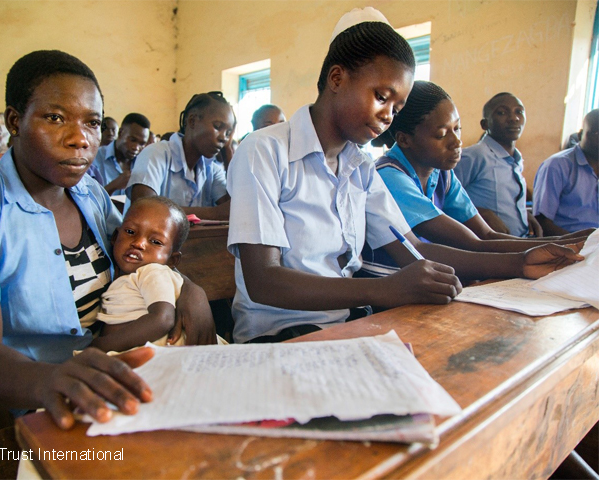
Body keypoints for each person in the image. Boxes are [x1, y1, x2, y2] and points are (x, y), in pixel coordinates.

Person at [226, 8, 583, 344]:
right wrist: (384, 289)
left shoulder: (360, 166)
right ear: (337, 78)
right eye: (381, 97)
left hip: (348, 323)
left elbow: (412, 247)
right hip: (280, 334)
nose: (387, 116)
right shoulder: (265, 150)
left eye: (396, 109)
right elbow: (264, 281)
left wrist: (520, 262)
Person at [0, 50, 216, 429]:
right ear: (15, 121)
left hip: (129, 363)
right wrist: (52, 378)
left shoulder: (90, 194)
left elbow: (142, 250)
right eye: (55, 117)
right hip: (43, 390)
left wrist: (189, 289)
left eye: (92, 122)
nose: (80, 139)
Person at [360, 81, 591, 278]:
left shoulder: (442, 174)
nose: (456, 142)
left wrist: (567, 241)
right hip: (391, 289)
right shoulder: (389, 176)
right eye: (441, 134)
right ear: (404, 139)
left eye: (457, 129)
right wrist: (525, 261)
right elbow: (472, 244)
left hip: (429, 280)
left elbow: (486, 234)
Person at [91, 196, 228, 353]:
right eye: (130, 232)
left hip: (168, 355)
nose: (139, 243)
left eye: (155, 242)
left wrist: (99, 346)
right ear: (115, 237)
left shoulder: (152, 272)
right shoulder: (128, 277)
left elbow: (162, 319)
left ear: (172, 260)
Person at [126, 92, 234, 220]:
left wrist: (228, 151)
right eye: (217, 127)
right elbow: (144, 210)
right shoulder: (156, 154)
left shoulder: (212, 169)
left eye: (228, 133)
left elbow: (230, 209)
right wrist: (214, 213)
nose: (223, 138)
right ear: (192, 121)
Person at [453, 93, 543, 237]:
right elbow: (441, 199)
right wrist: (479, 213)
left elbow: (506, 200)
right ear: (485, 124)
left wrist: (524, 215)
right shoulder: (475, 156)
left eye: (519, 111)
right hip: (491, 248)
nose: (514, 118)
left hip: (521, 242)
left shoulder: (515, 159)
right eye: (502, 113)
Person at [533, 109, 599, 235]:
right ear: (580, 135)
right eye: (596, 133)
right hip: (566, 246)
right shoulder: (557, 166)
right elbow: (541, 222)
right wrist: (579, 244)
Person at [88, 113, 151, 195]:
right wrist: (114, 185)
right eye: (133, 140)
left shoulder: (142, 163)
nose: (136, 147)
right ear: (120, 132)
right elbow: (86, 200)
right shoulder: (94, 158)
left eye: (142, 144)